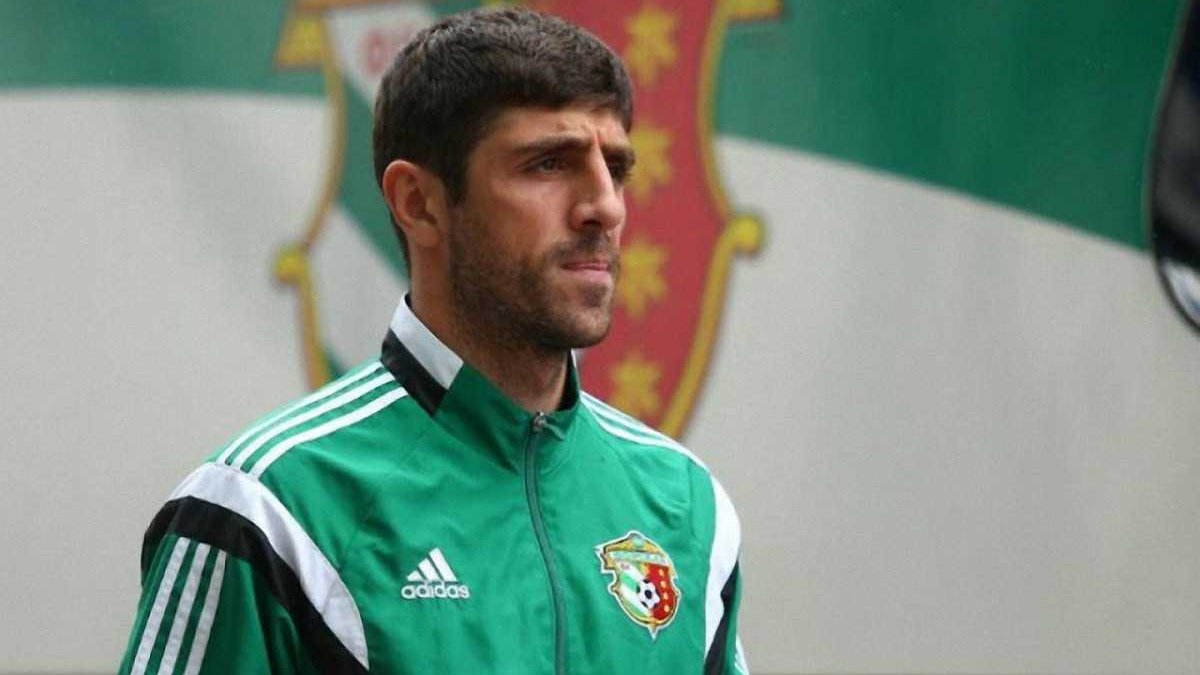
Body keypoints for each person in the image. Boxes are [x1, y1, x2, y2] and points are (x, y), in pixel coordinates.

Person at [118, 8, 746, 674]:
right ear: (417, 203)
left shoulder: (686, 505)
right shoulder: (264, 510)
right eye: (548, 164)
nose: (605, 206)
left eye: (615, 168)